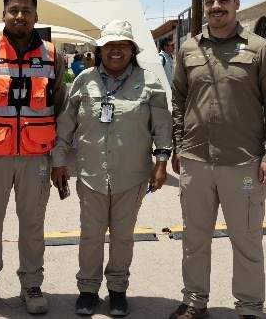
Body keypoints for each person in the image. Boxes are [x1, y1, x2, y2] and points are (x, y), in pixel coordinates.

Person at [168, 0, 266, 319]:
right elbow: (178, 100)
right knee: (194, 238)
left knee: (247, 239)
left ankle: (249, 307)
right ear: (203, 7)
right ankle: (194, 301)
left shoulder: (260, 49)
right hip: (195, 161)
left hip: (244, 164)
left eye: (223, 0)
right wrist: (179, 143)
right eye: (210, 2)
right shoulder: (189, 49)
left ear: (236, 3)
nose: (216, 7)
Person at [52, 20, 172, 317]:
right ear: (100, 49)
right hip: (91, 174)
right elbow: (66, 125)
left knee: (123, 235)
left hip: (131, 175)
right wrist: (59, 161)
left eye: (123, 45)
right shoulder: (84, 80)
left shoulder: (150, 82)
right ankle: (88, 290)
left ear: (132, 50)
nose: (116, 50)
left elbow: (162, 127)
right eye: (109, 45)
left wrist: (161, 164)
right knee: (90, 234)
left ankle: (117, 290)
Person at [0, 0, 67, 317]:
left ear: (36, 17)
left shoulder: (53, 56)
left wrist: (58, 159)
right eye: (13, 10)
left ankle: (31, 284)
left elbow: (61, 107)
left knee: (32, 225)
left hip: (37, 156)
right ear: (4, 15)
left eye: (26, 10)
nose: (20, 15)